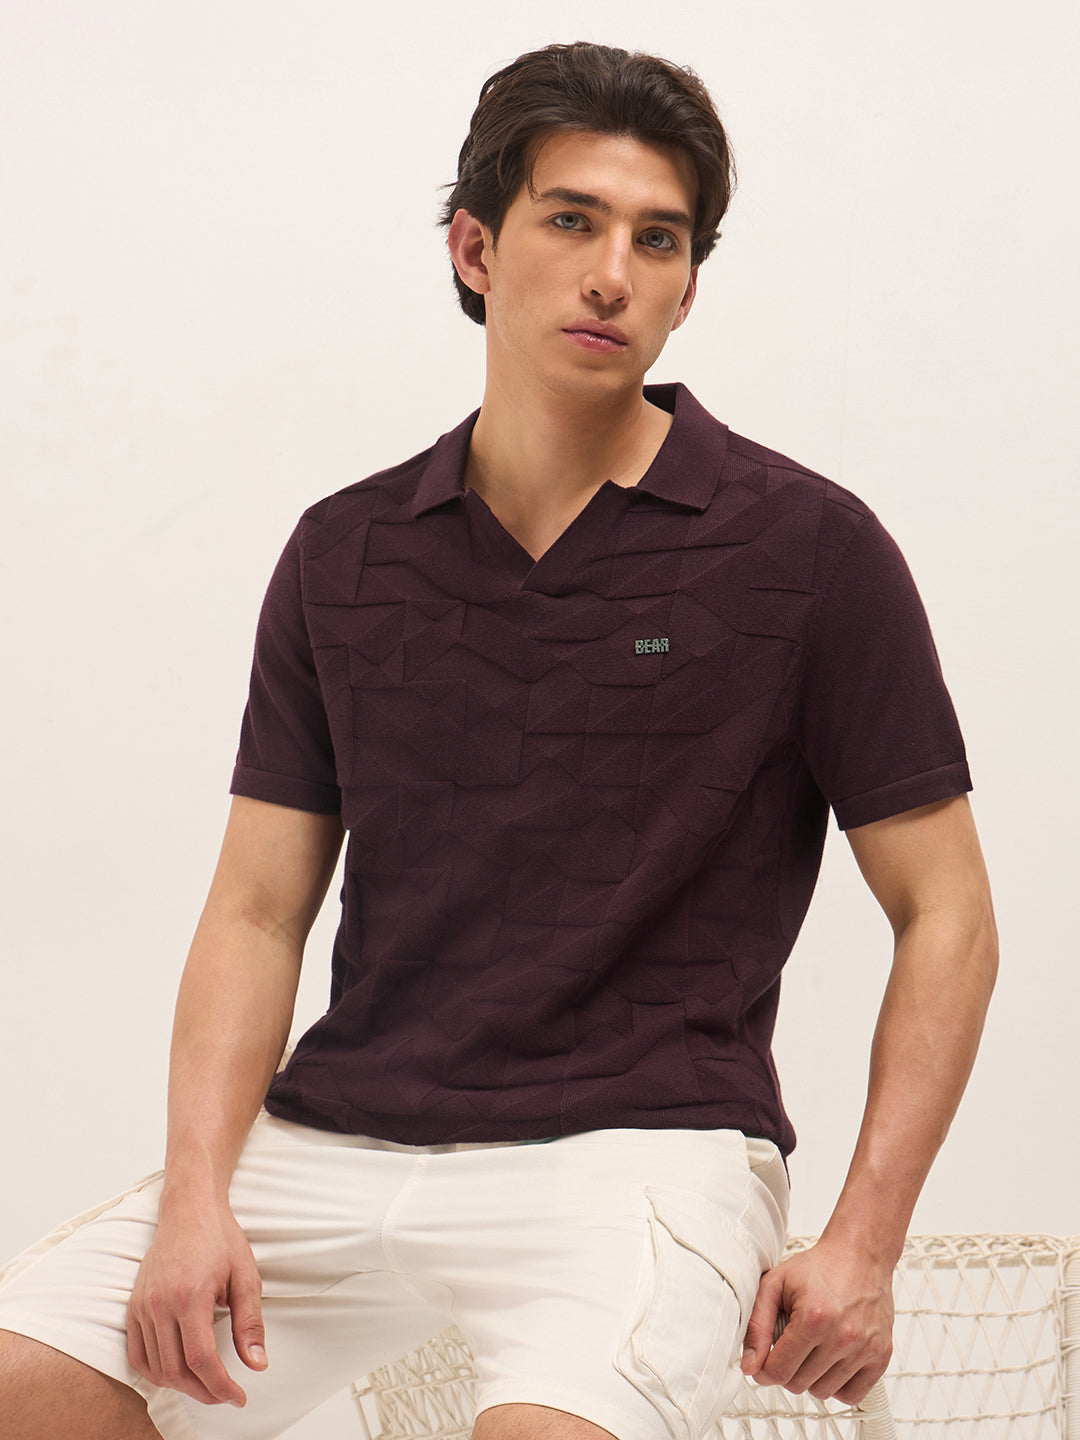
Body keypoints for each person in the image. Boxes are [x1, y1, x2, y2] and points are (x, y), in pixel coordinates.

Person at [0, 40, 997, 1440]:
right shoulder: (344, 552)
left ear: (689, 288)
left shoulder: (809, 549)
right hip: (337, 1136)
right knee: (25, 1387)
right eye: (571, 221)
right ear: (475, 248)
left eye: (658, 240)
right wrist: (199, 1195)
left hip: (642, 1153)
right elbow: (256, 910)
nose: (613, 275)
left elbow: (948, 912)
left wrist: (865, 1243)